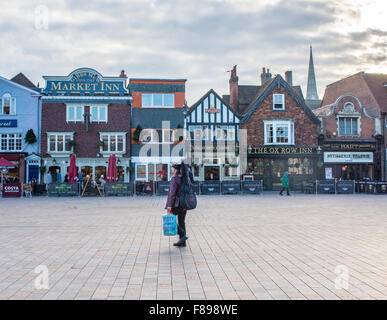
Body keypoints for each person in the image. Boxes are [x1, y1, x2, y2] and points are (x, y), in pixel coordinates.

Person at [165, 163, 188, 247]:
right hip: (184, 203)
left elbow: (172, 193)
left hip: (176, 204)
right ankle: (182, 242)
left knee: (172, 220)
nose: (171, 170)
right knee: (181, 222)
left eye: (172, 168)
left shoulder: (175, 178)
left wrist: (169, 205)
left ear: (175, 169)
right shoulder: (185, 178)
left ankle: (183, 235)